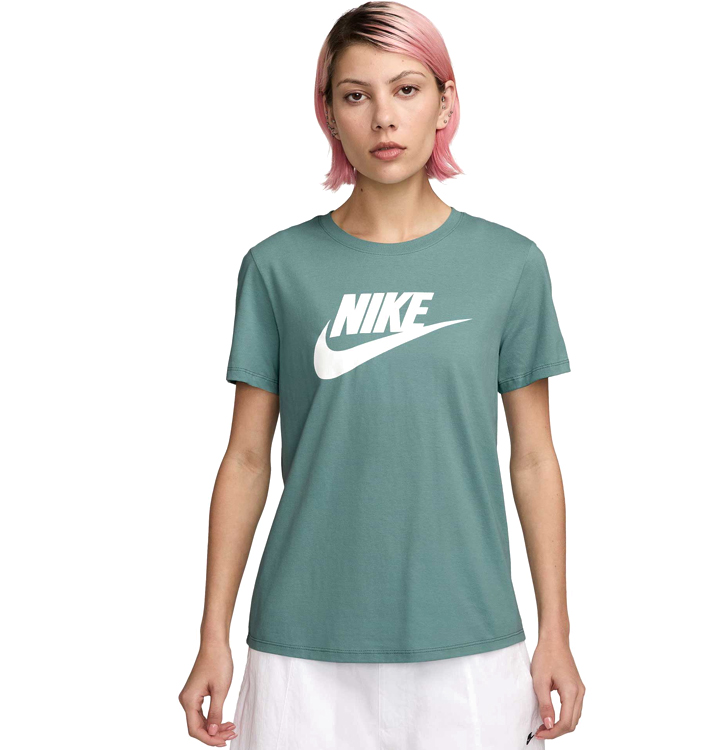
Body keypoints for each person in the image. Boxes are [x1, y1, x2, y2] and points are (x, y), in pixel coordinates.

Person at [178, 2, 585, 747]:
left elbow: (533, 458)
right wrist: (213, 637)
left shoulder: (510, 265)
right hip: (303, 645)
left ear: (445, 104)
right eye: (355, 95)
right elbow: (245, 459)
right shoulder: (276, 268)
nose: (383, 118)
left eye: (407, 89)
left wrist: (555, 632)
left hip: (469, 638)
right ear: (329, 114)